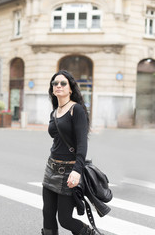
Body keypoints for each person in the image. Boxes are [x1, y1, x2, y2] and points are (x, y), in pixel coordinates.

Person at [42, 70, 97, 235]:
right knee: (47, 214)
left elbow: (82, 143)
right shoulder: (54, 112)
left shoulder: (76, 110)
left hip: (68, 171)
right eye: (55, 83)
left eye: (63, 83)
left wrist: (77, 170)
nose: (58, 86)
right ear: (52, 89)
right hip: (51, 168)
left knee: (65, 219)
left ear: (70, 88)